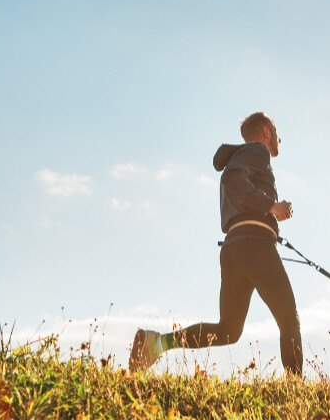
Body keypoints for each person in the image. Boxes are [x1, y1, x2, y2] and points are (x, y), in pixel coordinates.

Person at [128, 112, 303, 376]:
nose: (279, 138)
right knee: (289, 318)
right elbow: (231, 179)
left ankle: (157, 343)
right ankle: (295, 391)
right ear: (266, 131)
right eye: (276, 130)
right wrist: (271, 206)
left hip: (234, 248)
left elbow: (235, 182)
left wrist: (270, 212)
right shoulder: (257, 152)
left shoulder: (243, 156)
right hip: (255, 246)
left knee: (229, 330)